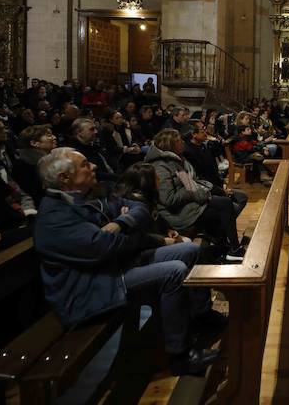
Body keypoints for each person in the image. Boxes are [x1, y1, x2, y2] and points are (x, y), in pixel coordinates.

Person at [33, 148, 221, 375]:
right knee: (174, 271)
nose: (93, 166)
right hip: (92, 284)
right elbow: (105, 248)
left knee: (190, 250)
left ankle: (202, 314)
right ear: (65, 178)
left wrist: (120, 223)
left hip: (117, 266)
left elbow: (139, 208)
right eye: (84, 164)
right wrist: (131, 231)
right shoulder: (55, 217)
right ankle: (180, 355)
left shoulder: (92, 194)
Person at [145, 129, 246, 262]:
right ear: (171, 144)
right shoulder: (161, 166)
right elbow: (168, 199)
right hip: (176, 213)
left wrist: (201, 189)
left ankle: (228, 247)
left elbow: (191, 183)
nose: (183, 142)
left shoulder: (176, 160)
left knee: (225, 204)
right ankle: (231, 248)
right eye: (179, 141)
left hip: (189, 203)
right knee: (224, 206)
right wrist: (194, 190)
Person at [181, 121, 249, 216]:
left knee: (242, 197)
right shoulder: (188, 153)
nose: (206, 132)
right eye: (202, 130)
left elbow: (214, 171)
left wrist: (223, 184)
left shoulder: (204, 146)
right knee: (233, 205)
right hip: (207, 192)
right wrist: (221, 191)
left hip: (216, 186)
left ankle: (223, 223)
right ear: (194, 134)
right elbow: (199, 180)